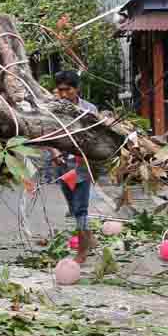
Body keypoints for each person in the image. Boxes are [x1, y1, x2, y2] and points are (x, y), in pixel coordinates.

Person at [51, 70, 99, 263]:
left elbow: (97, 137)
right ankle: (89, 237)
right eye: (60, 90)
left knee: (81, 208)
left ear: (76, 89)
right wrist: (53, 152)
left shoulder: (89, 109)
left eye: (67, 90)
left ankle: (82, 251)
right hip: (63, 165)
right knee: (72, 207)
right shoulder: (53, 109)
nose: (63, 95)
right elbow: (46, 133)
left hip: (82, 164)